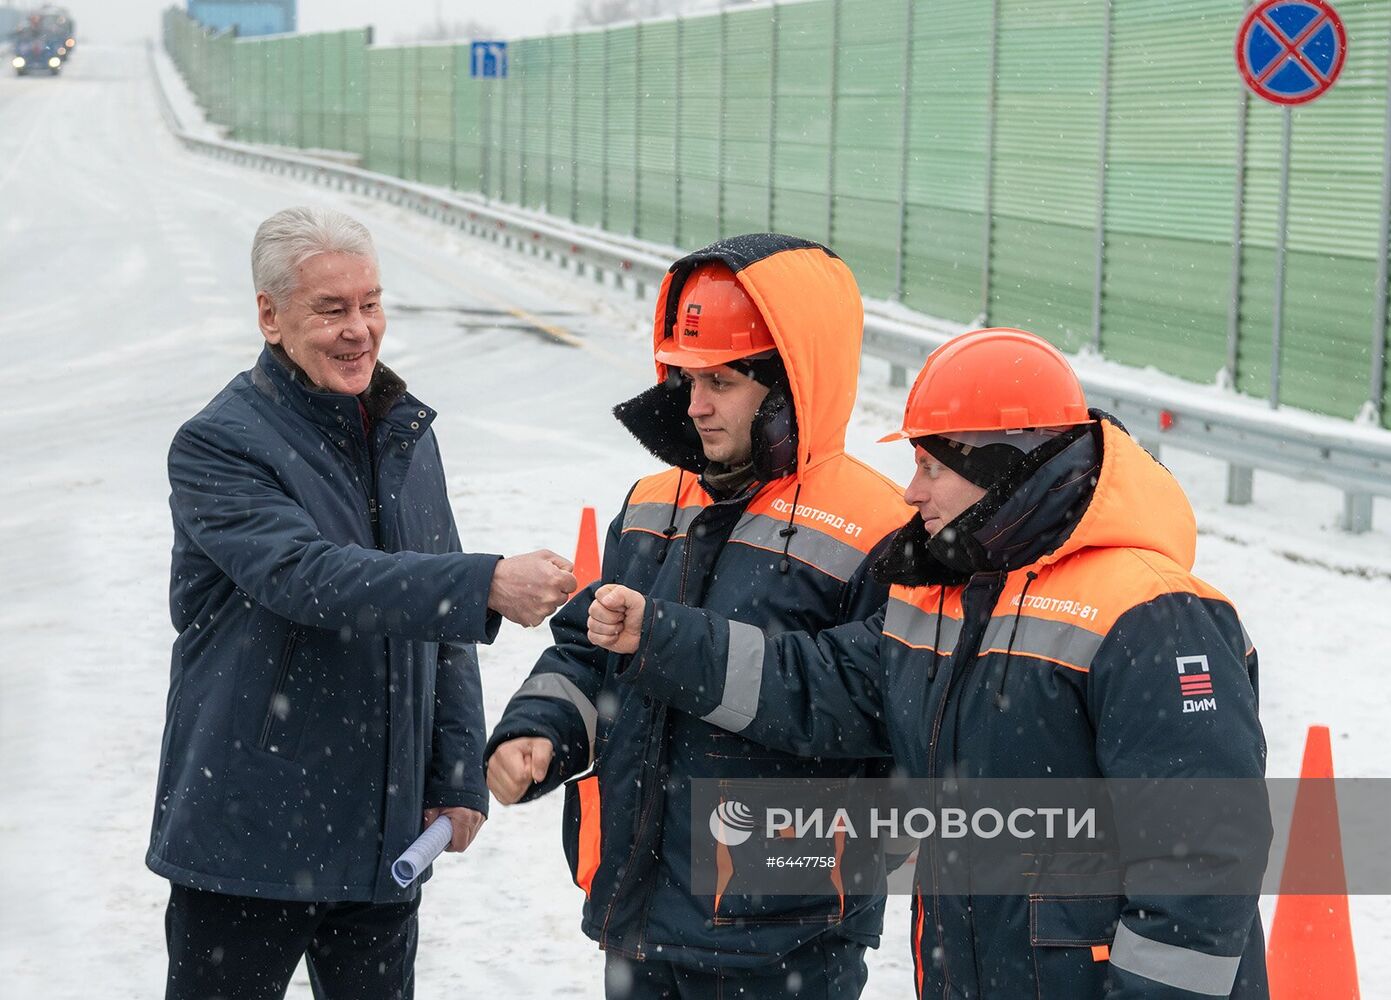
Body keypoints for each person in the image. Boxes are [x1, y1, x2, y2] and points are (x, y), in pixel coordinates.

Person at [590, 327, 1271, 998]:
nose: (910, 493)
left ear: (999, 466)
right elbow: (817, 685)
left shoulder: (1150, 613)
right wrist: (658, 637)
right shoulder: (945, 595)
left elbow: (1201, 862)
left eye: (930, 467)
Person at [148, 206, 577, 1000]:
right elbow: (309, 578)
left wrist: (454, 776)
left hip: (382, 842)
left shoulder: (402, 433)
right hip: (249, 839)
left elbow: (438, 625)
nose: (360, 331)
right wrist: (482, 583)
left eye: (371, 304)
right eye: (332, 309)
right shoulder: (219, 443)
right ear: (270, 317)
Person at [485, 234, 914, 998]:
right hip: (640, 917)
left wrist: (665, 638)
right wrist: (536, 730)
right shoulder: (654, 502)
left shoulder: (874, 529)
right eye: (684, 378)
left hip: (786, 940)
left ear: (785, 386)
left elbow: (859, 704)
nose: (694, 405)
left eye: (720, 381)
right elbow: (589, 653)